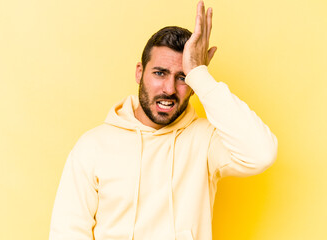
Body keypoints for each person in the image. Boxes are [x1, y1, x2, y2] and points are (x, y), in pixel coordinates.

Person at [49, 1, 278, 239]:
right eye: (160, 73)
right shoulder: (93, 146)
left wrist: (200, 75)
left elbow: (261, 154)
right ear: (140, 72)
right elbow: (67, 233)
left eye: (182, 77)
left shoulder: (206, 141)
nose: (169, 89)